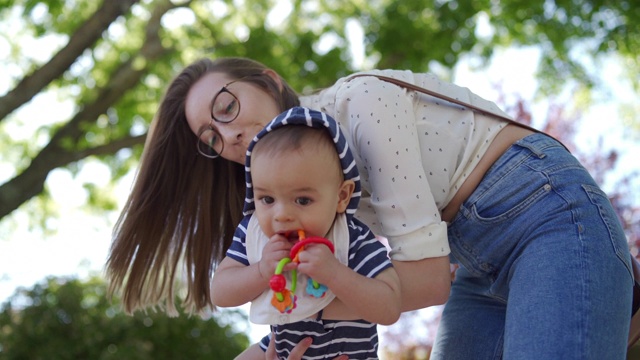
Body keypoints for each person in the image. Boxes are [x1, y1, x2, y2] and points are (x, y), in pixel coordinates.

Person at [106, 56, 633, 359]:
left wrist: (313, 325)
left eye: (226, 106)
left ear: (264, 77)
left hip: (544, 216)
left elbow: (423, 281)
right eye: (211, 137)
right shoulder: (299, 196)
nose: (229, 133)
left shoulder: (362, 105)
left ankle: (599, 292)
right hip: (479, 269)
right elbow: (333, 289)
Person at [211, 107, 401, 359]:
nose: (281, 215)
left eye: (302, 200)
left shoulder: (352, 238)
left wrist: (335, 273)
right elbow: (220, 292)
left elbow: (389, 307)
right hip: (280, 350)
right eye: (267, 198)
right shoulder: (253, 234)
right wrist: (261, 270)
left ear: (341, 197)